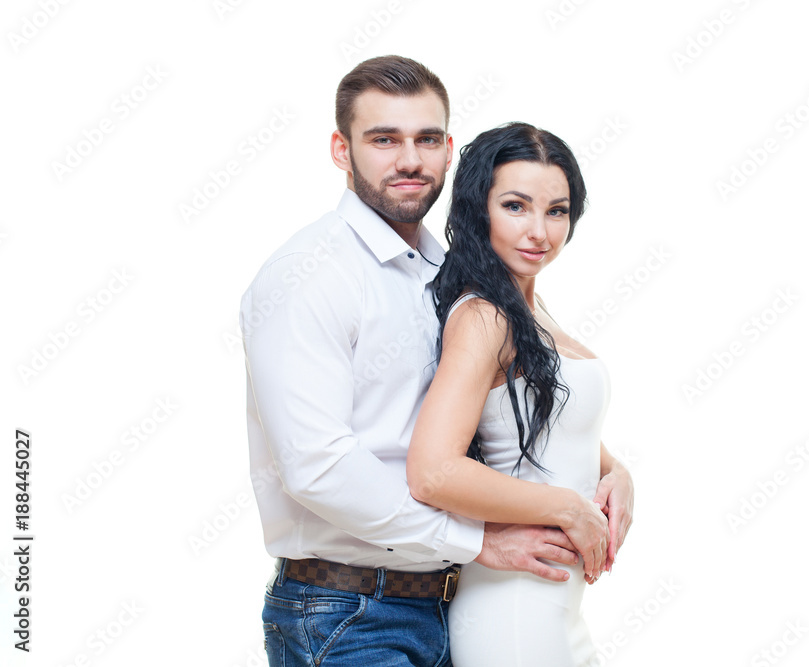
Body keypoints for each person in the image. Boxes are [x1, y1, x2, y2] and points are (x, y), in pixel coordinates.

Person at [240, 56, 633, 667]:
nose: (409, 160)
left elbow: (500, 400)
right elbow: (317, 466)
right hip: (346, 610)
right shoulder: (309, 276)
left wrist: (611, 470)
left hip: (447, 603)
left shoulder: (447, 273)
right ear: (341, 151)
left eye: (426, 139)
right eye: (384, 140)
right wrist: (476, 539)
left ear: (449, 150)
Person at [406, 122, 632, 666]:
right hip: (513, 612)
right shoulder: (484, 316)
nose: (539, 231)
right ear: (476, 208)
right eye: (515, 206)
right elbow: (433, 471)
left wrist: (617, 472)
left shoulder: (528, 308)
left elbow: (551, 423)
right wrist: (568, 509)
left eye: (557, 210)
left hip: (554, 604)